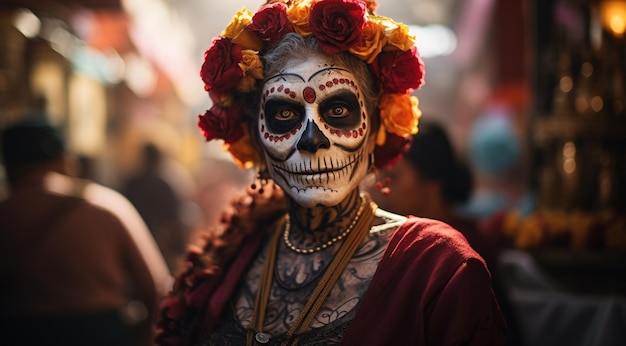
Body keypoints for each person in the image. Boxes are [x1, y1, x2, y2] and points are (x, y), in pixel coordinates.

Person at [156, 1, 506, 345]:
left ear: (375, 131)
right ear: (256, 138)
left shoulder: (437, 267)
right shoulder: (233, 256)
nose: (312, 140)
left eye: (338, 109)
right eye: (283, 115)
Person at [0, 117, 172, 346]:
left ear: (9, 166)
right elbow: (157, 287)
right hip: (102, 332)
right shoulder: (106, 206)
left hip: (19, 333)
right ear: (66, 161)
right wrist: (143, 338)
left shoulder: (6, 213)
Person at [367, 120, 523, 346]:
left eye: (395, 176)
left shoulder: (464, 250)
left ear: (432, 179)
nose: (381, 189)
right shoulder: (394, 239)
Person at [122, 142, 190, 273]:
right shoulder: (166, 186)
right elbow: (174, 219)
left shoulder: (132, 183)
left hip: (134, 238)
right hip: (159, 242)